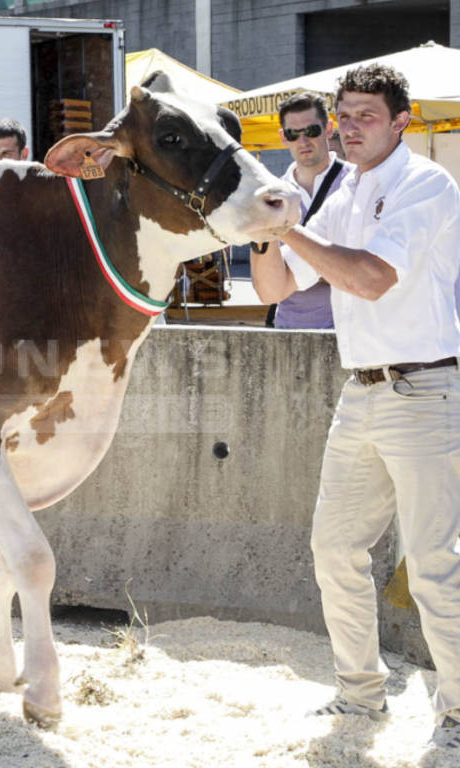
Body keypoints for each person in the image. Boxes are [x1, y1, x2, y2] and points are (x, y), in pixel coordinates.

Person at [252, 63, 460, 751]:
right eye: (344, 114)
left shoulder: (426, 182)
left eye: (365, 113)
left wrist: (290, 229)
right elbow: (273, 288)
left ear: (402, 121)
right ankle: (359, 697)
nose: (348, 126)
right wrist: (262, 226)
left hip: (427, 390)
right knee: (334, 548)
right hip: (362, 391)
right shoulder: (345, 194)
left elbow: (369, 279)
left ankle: (457, 713)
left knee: (435, 563)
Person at [252, 92, 350, 329]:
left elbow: (360, 270)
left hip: (348, 330)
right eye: (293, 134)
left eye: (312, 131)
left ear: (329, 129)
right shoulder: (273, 196)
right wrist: (328, 267)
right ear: (283, 138)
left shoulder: (356, 184)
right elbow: (267, 286)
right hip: (288, 328)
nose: (303, 141)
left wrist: (291, 271)